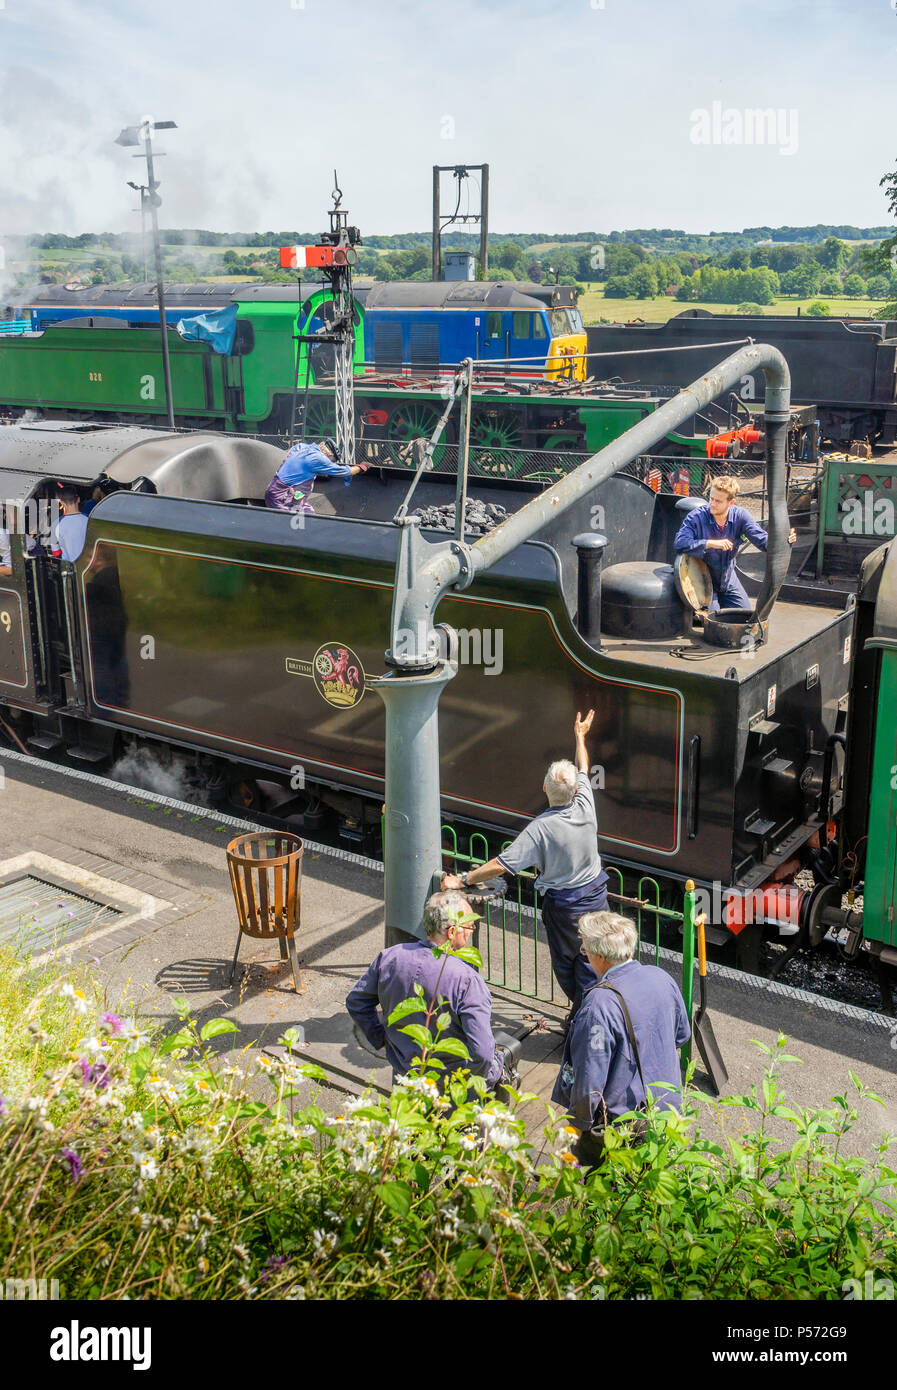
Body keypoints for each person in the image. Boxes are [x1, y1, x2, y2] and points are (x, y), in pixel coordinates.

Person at [442, 710, 608, 1021]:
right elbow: (583, 767)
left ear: (544, 789)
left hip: (566, 908)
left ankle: (585, 1019)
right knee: (594, 958)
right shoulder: (585, 803)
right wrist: (580, 736)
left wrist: (462, 879)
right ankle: (592, 1013)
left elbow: (500, 865)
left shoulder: (540, 829)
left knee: (568, 962)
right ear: (574, 791)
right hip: (596, 895)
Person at [552, 912, 691, 1164]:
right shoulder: (661, 977)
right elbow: (681, 1034)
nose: (585, 953)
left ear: (600, 957)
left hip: (622, 1125)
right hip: (667, 1112)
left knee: (604, 1194)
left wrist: (579, 1125)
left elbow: (589, 1078)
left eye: (585, 949)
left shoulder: (599, 1003)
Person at [346, 890, 507, 1088]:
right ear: (451, 932)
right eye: (469, 926)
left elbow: (356, 1001)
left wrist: (381, 1040)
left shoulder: (389, 957)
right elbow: (482, 1052)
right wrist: (485, 1078)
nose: (471, 931)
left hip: (404, 1073)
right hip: (450, 1083)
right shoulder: (467, 980)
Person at [674, 474, 797, 611]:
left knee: (745, 615)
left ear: (731, 503)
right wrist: (710, 543)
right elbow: (680, 543)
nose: (712, 504)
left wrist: (783, 539)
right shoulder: (696, 517)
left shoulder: (741, 516)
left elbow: (762, 541)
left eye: (718, 501)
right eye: (711, 499)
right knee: (711, 618)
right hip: (702, 580)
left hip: (727, 579)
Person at [265, 436, 368, 514]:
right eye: (332, 461)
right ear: (329, 454)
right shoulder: (319, 459)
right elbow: (344, 471)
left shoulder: (302, 447)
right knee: (300, 522)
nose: (330, 463)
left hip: (275, 490)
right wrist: (362, 467)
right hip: (282, 497)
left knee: (310, 515)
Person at [52, 486, 89, 563]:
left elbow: (56, 553)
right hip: (89, 566)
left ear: (62, 503)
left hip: (70, 568)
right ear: (78, 499)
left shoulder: (55, 524)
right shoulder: (89, 519)